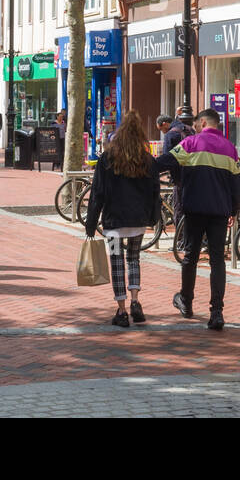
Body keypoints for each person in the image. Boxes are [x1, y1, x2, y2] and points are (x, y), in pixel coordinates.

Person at [157, 108, 240, 331]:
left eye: (196, 123)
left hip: (194, 209)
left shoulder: (190, 144)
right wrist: (233, 210)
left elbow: (163, 162)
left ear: (204, 122)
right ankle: (217, 312)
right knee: (217, 261)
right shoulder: (230, 149)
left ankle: (186, 301)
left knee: (191, 256)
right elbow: (238, 184)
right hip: (219, 212)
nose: (194, 127)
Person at [85, 111, 161, 327]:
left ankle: (121, 310)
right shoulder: (147, 160)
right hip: (137, 219)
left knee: (117, 262)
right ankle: (136, 300)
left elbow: (97, 192)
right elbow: (155, 190)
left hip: (114, 219)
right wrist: (153, 217)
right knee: (134, 258)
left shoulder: (107, 159)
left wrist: (91, 222)